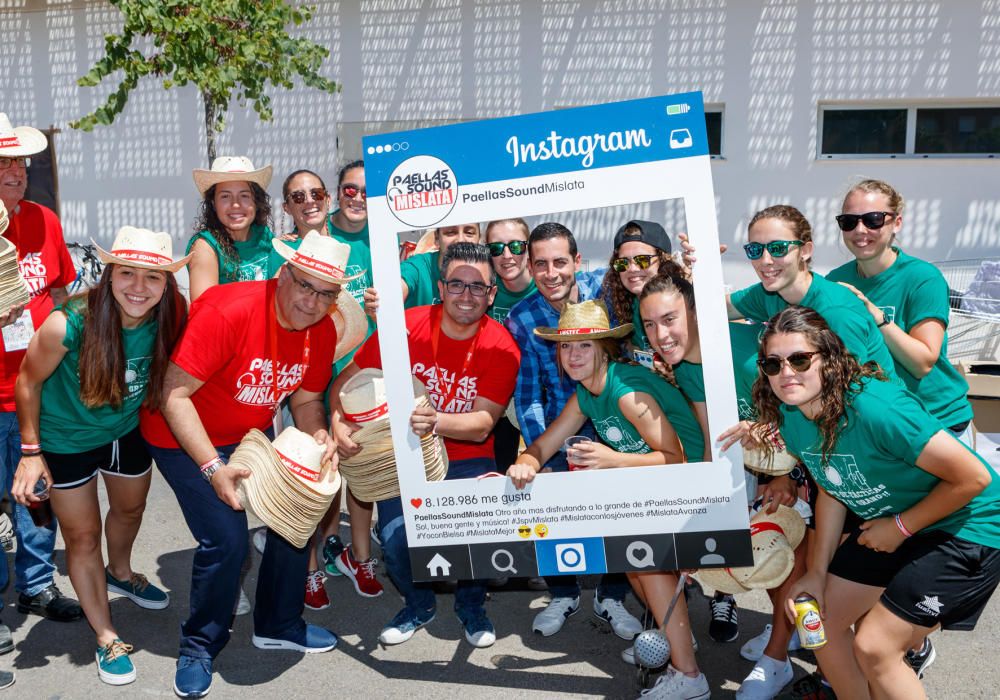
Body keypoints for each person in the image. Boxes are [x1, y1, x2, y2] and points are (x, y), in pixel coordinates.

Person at [744, 306, 1000, 700]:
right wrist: (817, 571)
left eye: (799, 359)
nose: (786, 373)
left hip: (970, 523)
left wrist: (900, 528)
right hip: (898, 521)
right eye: (773, 364)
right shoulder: (794, 417)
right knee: (820, 624)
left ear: (828, 359)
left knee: (875, 647)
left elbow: (974, 478)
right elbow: (833, 487)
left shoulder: (878, 409)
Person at [140, 232, 356, 698]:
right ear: (283, 275)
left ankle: (278, 622)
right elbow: (172, 396)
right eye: (305, 285)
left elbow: (306, 399)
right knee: (227, 537)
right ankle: (199, 644)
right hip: (180, 433)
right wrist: (212, 469)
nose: (312, 301)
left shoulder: (322, 329)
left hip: (247, 436)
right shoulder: (227, 310)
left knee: (298, 507)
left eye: (326, 293)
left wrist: (318, 435)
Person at [11, 227, 188, 685]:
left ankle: (122, 571)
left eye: (153, 277)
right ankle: (107, 634)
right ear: (109, 276)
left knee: (131, 509)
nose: (138, 287)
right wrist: (31, 454)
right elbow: (27, 382)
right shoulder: (68, 321)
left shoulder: (172, 315)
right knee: (83, 536)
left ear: (168, 284)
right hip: (66, 440)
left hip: (125, 432)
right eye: (127, 273)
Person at [507, 299, 707, 700]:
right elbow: (545, 444)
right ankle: (674, 640)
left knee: (648, 565)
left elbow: (676, 458)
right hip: (649, 484)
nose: (573, 355)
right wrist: (526, 462)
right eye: (565, 347)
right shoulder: (585, 394)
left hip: (690, 483)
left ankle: (689, 677)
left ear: (604, 349)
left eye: (584, 346)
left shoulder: (626, 391)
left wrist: (612, 460)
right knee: (632, 561)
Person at [329, 242, 520, 648]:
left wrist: (436, 421)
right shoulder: (407, 326)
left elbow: (483, 425)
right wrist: (337, 420)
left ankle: (472, 606)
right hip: (404, 457)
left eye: (477, 287)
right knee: (397, 539)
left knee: (477, 532)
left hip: (468, 458)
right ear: (440, 287)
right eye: (456, 284)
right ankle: (419, 605)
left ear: (492, 294)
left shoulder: (502, 346)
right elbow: (347, 382)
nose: (466, 296)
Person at [640, 272, 803, 698]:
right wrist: (706, 514)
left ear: (695, 313)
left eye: (670, 319)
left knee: (796, 550)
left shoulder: (739, 347)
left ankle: (777, 657)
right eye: (650, 324)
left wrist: (784, 473)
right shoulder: (688, 368)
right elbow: (717, 441)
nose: (661, 334)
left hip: (812, 455)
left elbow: (802, 402)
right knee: (773, 547)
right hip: (768, 460)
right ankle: (787, 637)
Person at [505, 222, 641, 640]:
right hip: (559, 428)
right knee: (549, 512)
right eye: (540, 264)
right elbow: (527, 392)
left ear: (577, 261)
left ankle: (612, 594)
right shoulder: (522, 316)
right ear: (530, 266)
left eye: (560, 262)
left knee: (619, 517)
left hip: (619, 427)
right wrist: (539, 454)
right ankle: (562, 592)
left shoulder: (609, 291)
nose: (551, 273)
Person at [274, 162, 380, 606]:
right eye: (298, 197)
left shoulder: (367, 243)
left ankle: (359, 555)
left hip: (358, 366)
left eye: (315, 194)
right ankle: (310, 565)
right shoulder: (282, 254)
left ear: (327, 198)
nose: (309, 203)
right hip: (304, 372)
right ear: (287, 207)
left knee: (358, 463)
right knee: (313, 466)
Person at [0, 113, 83, 632]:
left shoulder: (44, 220)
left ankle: (34, 585)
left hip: (34, 390)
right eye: (3, 162)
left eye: (20, 163)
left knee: (38, 496)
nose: (15, 171)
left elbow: (58, 293)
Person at [484, 218, 537, 480]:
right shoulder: (481, 291)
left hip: (538, 394)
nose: (507, 255)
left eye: (516, 246)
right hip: (495, 397)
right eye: (496, 248)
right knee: (500, 473)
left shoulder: (547, 287)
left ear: (528, 249)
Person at [186, 156, 275, 300]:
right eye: (225, 196)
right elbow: (205, 311)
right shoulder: (205, 247)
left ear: (256, 201)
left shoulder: (264, 236)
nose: (235, 204)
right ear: (213, 203)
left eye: (244, 196)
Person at [601, 219, 679, 359]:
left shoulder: (686, 298)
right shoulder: (627, 308)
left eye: (642, 260)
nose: (632, 269)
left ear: (663, 260)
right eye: (622, 263)